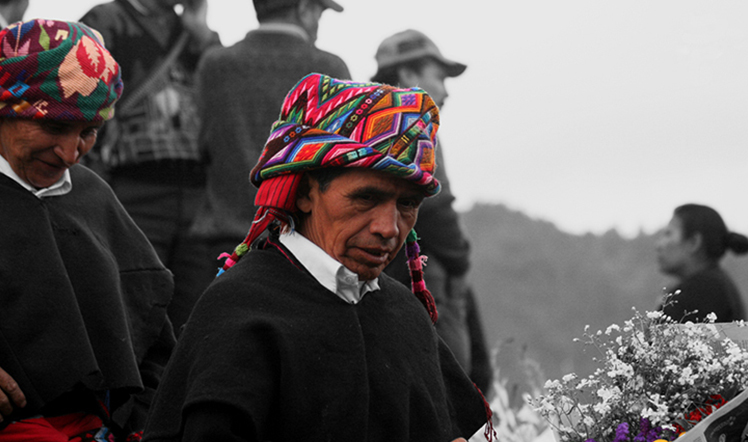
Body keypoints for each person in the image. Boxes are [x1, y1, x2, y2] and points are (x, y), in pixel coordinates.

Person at [142, 73, 493, 442]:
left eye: (407, 204)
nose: (388, 228)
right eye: (366, 198)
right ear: (306, 192)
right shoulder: (240, 311)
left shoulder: (404, 315)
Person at [0, 19, 174, 441]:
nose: (70, 153)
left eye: (89, 133)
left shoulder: (92, 196)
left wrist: (140, 421)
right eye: (55, 127)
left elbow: (150, 332)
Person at [186, 0, 352, 307]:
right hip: (303, 250)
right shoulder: (330, 70)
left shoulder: (215, 65)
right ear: (304, 9)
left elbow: (200, 146)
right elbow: (341, 163)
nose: (318, 22)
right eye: (319, 11)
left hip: (225, 246)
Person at [79, 0, 221, 333]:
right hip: (132, 191)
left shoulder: (193, 34)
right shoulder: (106, 20)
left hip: (197, 197)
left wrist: (202, 34)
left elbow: (222, 89)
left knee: (192, 316)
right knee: (133, 310)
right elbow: (82, 98)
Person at [372, 28, 493, 394]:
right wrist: (460, 257)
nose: (445, 90)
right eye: (438, 77)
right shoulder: (412, 120)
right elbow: (436, 207)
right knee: (448, 389)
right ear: (408, 75)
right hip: (424, 276)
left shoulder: (368, 123)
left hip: (392, 276)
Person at [656, 203, 748, 322]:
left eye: (668, 234)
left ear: (694, 242)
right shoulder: (715, 284)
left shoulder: (699, 291)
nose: (658, 245)